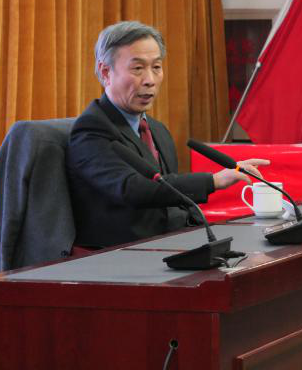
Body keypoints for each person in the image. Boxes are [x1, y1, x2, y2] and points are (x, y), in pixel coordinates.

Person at [66, 21, 268, 248]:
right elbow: (132, 189)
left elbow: (171, 199)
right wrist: (213, 181)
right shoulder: (92, 129)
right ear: (106, 72)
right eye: (137, 68)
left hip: (170, 243)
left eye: (156, 67)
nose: (150, 80)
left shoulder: (157, 130)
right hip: (121, 253)